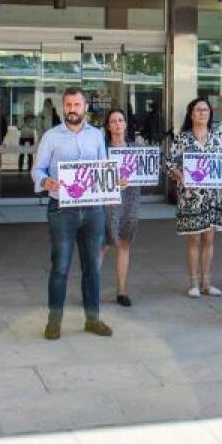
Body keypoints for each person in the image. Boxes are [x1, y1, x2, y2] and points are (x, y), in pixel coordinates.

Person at [31, 87, 114, 339]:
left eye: (77, 105)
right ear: (62, 107)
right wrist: (46, 182)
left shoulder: (97, 136)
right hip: (61, 210)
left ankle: (93, 319)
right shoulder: (51, 136)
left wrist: (113, 181)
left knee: (93, 268)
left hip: (93, 210)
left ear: (85, 107)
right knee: (60, 267)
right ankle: (54, 322)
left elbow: (103, 168)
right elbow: (38, 170)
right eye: (68, 105)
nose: (72, 109)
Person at [168, 98, 222, 298]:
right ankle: (193, 283)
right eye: (198, 109)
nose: (202, 113)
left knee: (209, 238)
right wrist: (181, 176)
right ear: (191, 114)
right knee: (194, 238)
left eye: (206, 109)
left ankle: (207, 283)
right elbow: (169, 164)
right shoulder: (182, 138)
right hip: (191, 196)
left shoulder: (219, 136)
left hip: (212, 196)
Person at [103, 109, 144, 306]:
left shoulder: (135, 147)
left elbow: (146, 171)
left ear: (126, 124)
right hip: (109, 199)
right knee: (103, 244)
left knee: (125, 242)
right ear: (108, 126)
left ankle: (122, 291)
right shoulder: (102, 149)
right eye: (113, 121)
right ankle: (91, 289)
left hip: (131, 198)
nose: (118, 124)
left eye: (121, 120)